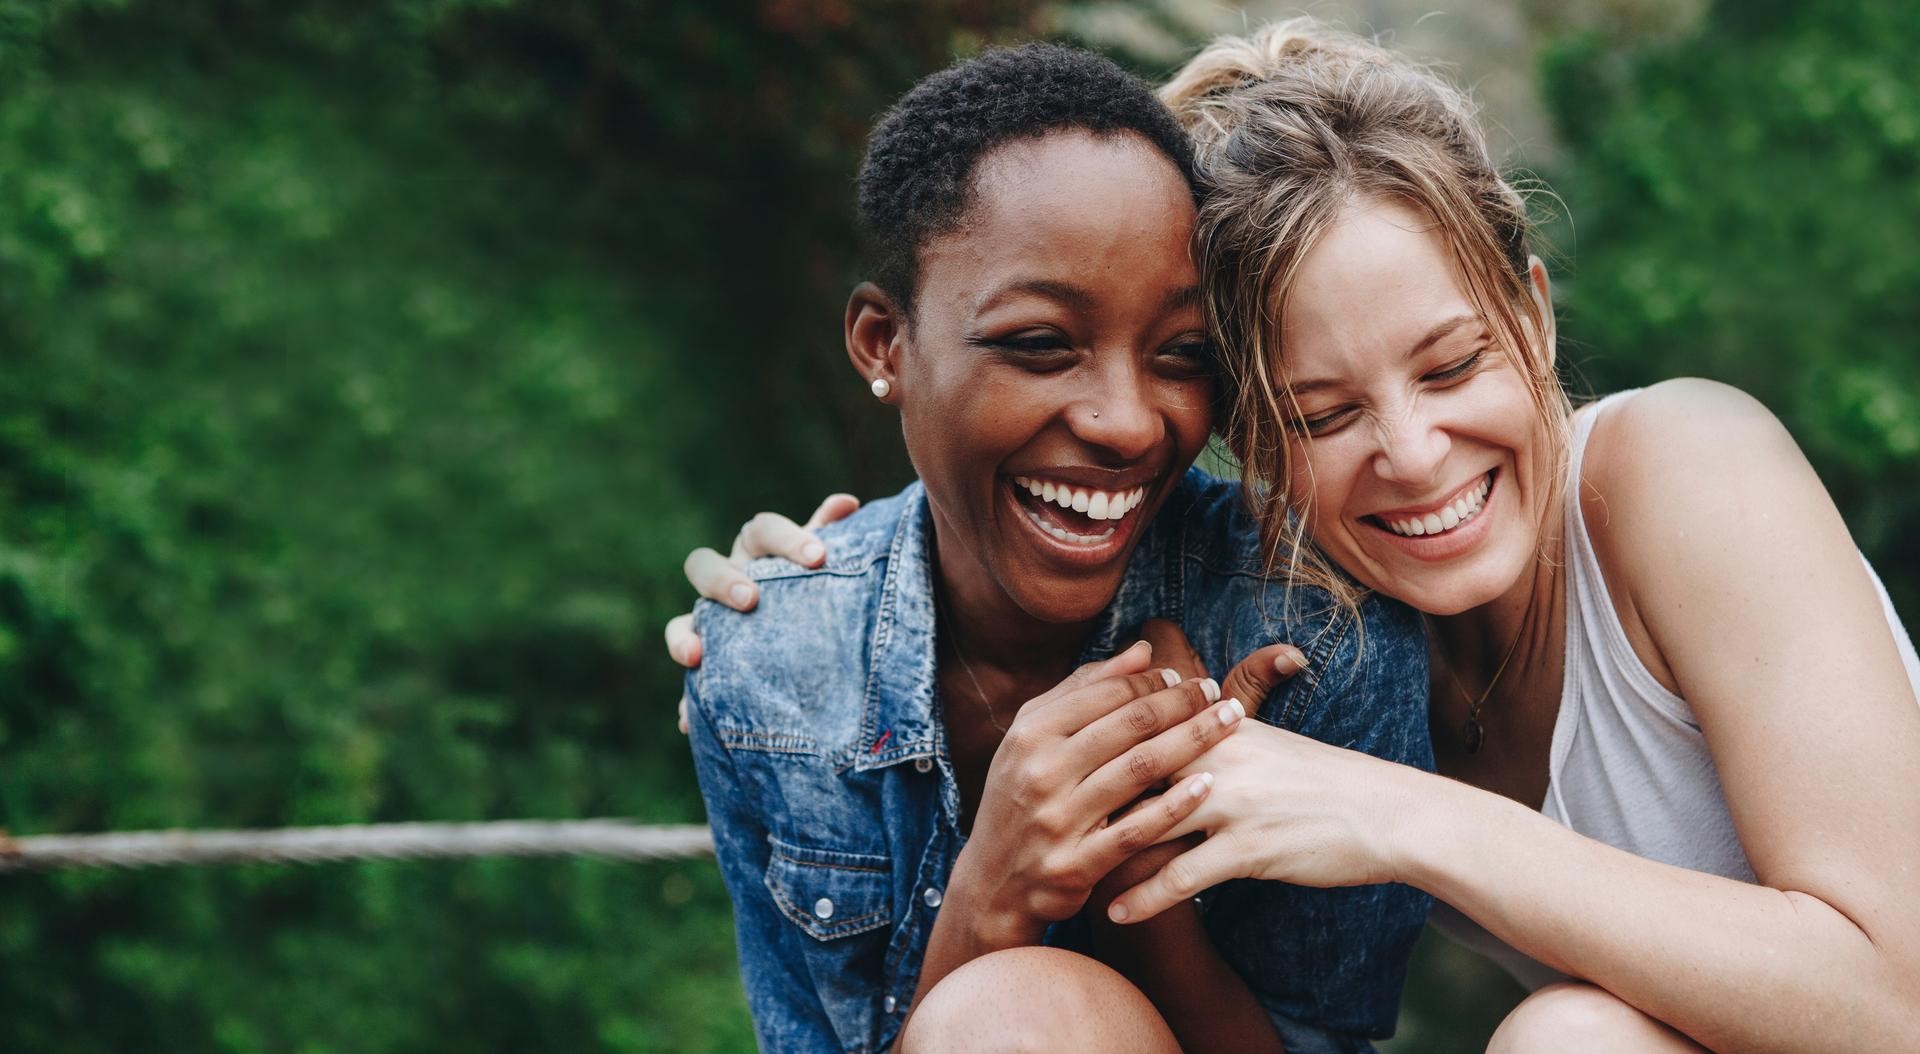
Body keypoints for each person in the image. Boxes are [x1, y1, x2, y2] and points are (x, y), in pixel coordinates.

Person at [676, 19, 1920, 1052]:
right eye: (1322, 413)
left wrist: (1412, 818)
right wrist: (821, 601)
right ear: (1247, 443)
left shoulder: (1682, 468)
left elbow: (1897, 998)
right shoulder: (1326, 634)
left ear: (1532, 318)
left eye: (1453, 364)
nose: (1417, 453)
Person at [680, 43, 1433, 1054]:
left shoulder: (1314, 634)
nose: (1127, 423)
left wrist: (1148, 884)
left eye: (1182, 355)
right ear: (883, 344)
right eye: (1040, 343)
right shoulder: (767, 671)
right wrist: (993, 891)